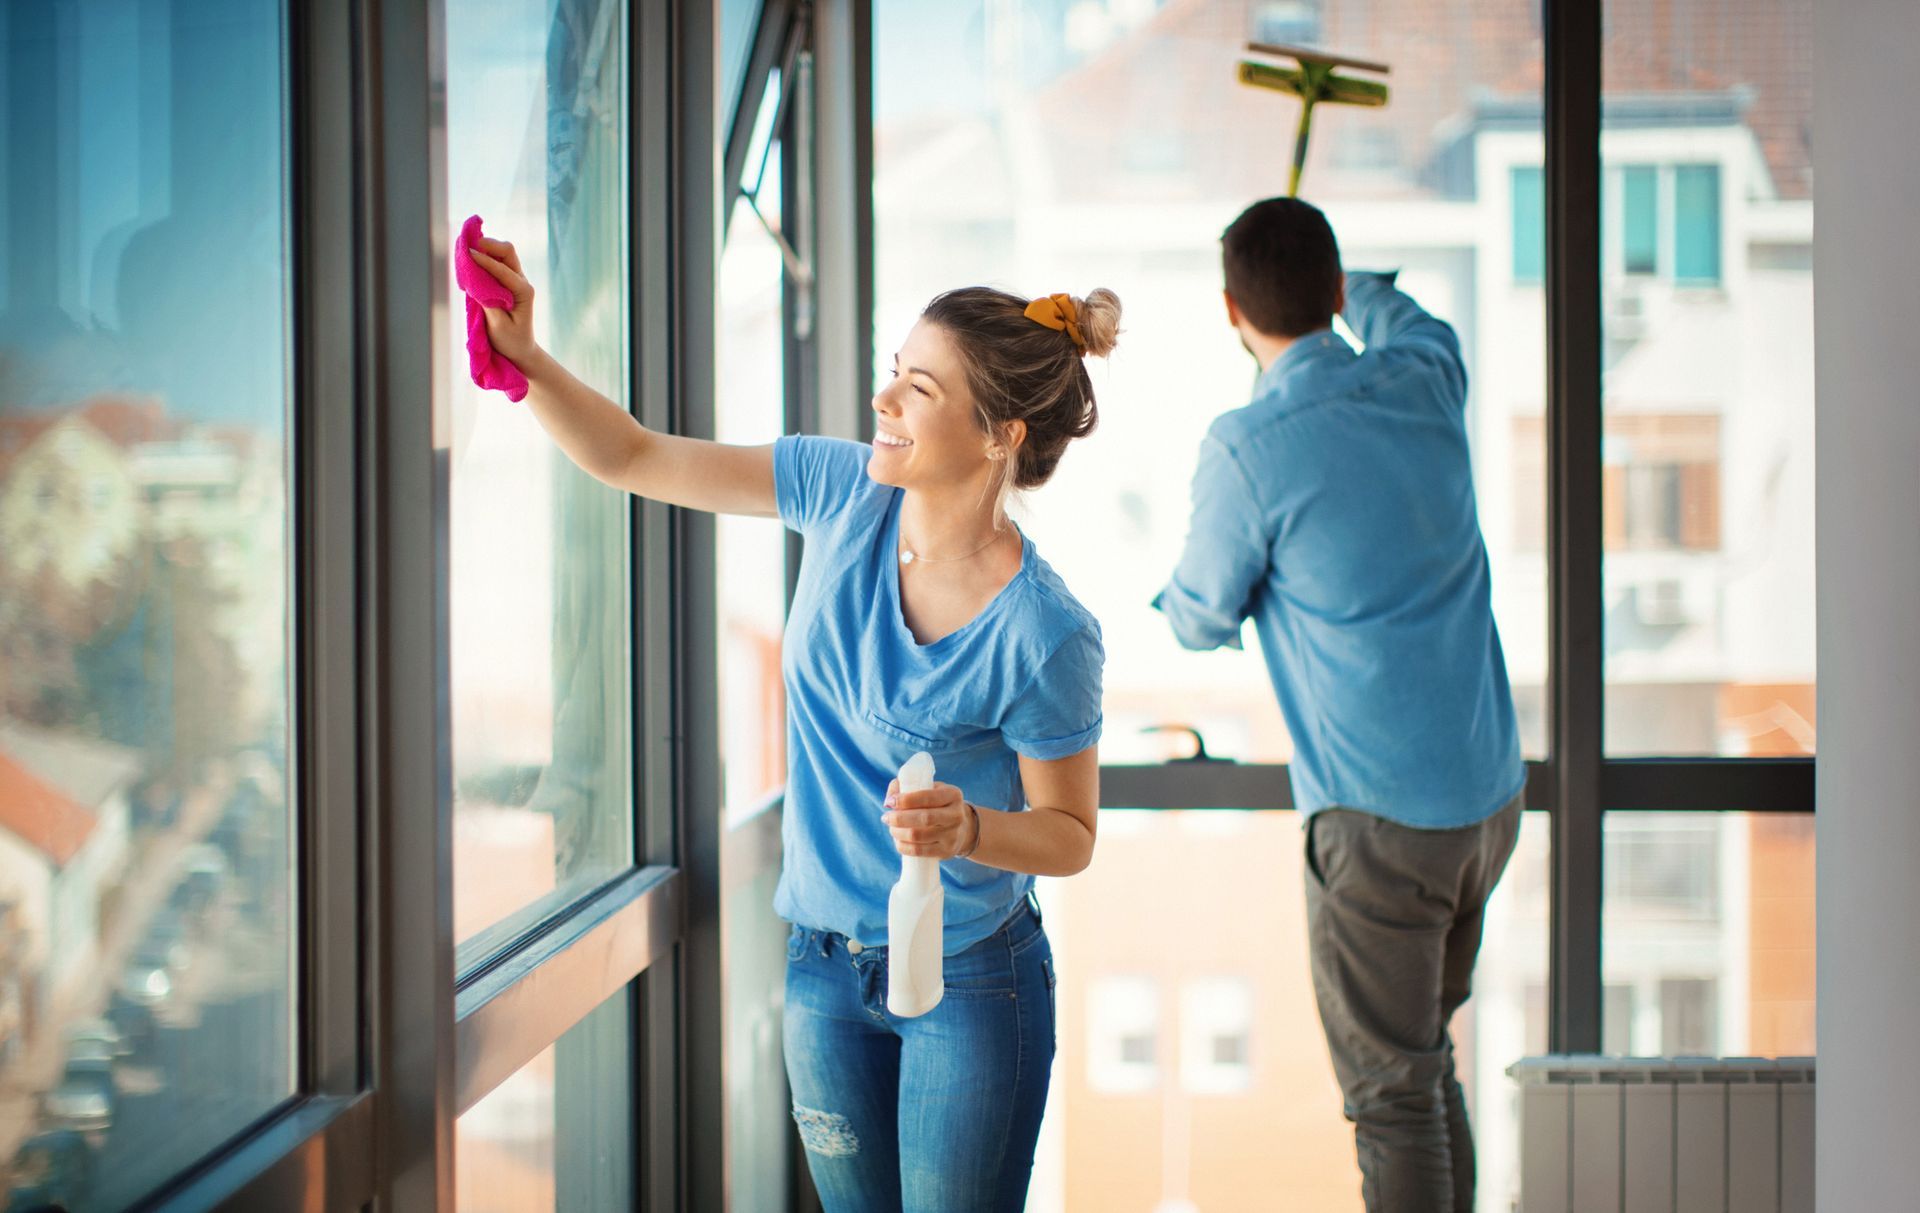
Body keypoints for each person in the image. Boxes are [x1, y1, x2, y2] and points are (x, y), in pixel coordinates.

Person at [465, 236, 1114, 1213]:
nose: (883, 402)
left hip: (974, 982)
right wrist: (526, 356)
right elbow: (636, 455)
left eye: (919, 391)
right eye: (894, 375)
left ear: (1000, 436)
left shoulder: (1045, 632)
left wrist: (972, 827)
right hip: (820, 966)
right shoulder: (841, 489)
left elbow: (1070, 837)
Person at [1154, 197, 1525, 1213]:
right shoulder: (1423, 374)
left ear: (1233, 309)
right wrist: (1346, 282)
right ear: (1334, 291)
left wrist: (1178, 596)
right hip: (1487, 804)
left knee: (1392, 1096)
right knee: (1424, 1063)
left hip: (1382, 825)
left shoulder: (1247, 447)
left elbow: (1197, 614)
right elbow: (1403, 313)